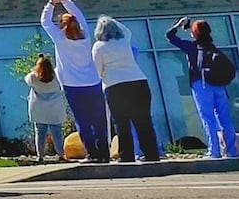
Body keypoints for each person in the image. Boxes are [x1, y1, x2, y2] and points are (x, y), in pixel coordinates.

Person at [40, 0, 109, 163]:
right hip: (93, 83)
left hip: (73, 86)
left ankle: (92, 153)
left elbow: (44, 22)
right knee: (99, 120)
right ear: (77, 25)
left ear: (62, 26)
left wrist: (52, 3)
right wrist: (65, 1)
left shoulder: (60, 39)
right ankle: (104, 154)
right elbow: (79, 14)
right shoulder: (85, 36)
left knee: (83, 121)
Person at [91, 16, 160, 163]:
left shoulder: (98, 46)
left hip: (115, 86)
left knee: (121, 123)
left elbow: (97, 71)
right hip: (139, 82)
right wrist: (110, 20)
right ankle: (151, 154)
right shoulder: (124, 41)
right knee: (143, 121)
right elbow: (126, 30)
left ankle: (126, 155)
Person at [166, 18, 237, 159]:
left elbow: (170, 36)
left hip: (202, 85)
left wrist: (180, 25)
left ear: (194, 34)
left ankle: (214, 151)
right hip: (219, 86)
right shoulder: (212, 47)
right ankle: (232, 151)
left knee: (208, 118)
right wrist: (192, 32)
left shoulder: (192, 47)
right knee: (224, 118)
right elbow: (201, 37)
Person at [24, 55, 66, 162]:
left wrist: (34, 69)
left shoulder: (33, 77)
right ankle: (61, 154)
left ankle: (40, 156)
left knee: (40, 132)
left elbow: (26, 79)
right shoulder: (57, 75)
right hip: (55, 108)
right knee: (56, 132)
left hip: (39, 108)